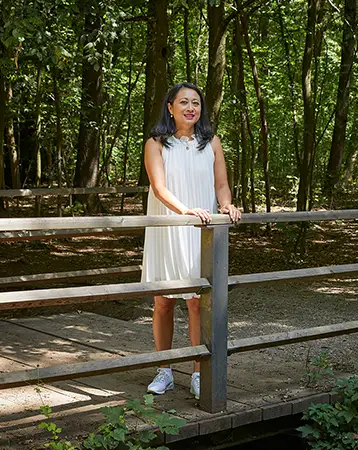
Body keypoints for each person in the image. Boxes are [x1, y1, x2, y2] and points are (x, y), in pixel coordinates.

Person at [141, 82, 241, 400]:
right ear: (170, 107)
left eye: (196, 103)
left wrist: (227, 205)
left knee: (199, 301)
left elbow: (221, 184)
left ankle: (199, 373)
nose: (190, 108)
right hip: (169, 226)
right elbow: (159, 188)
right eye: (183, 102)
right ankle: (164, 370)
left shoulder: (211, 142)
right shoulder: (156, 143)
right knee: (164, 300)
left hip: (202, 227)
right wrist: (186, 211)